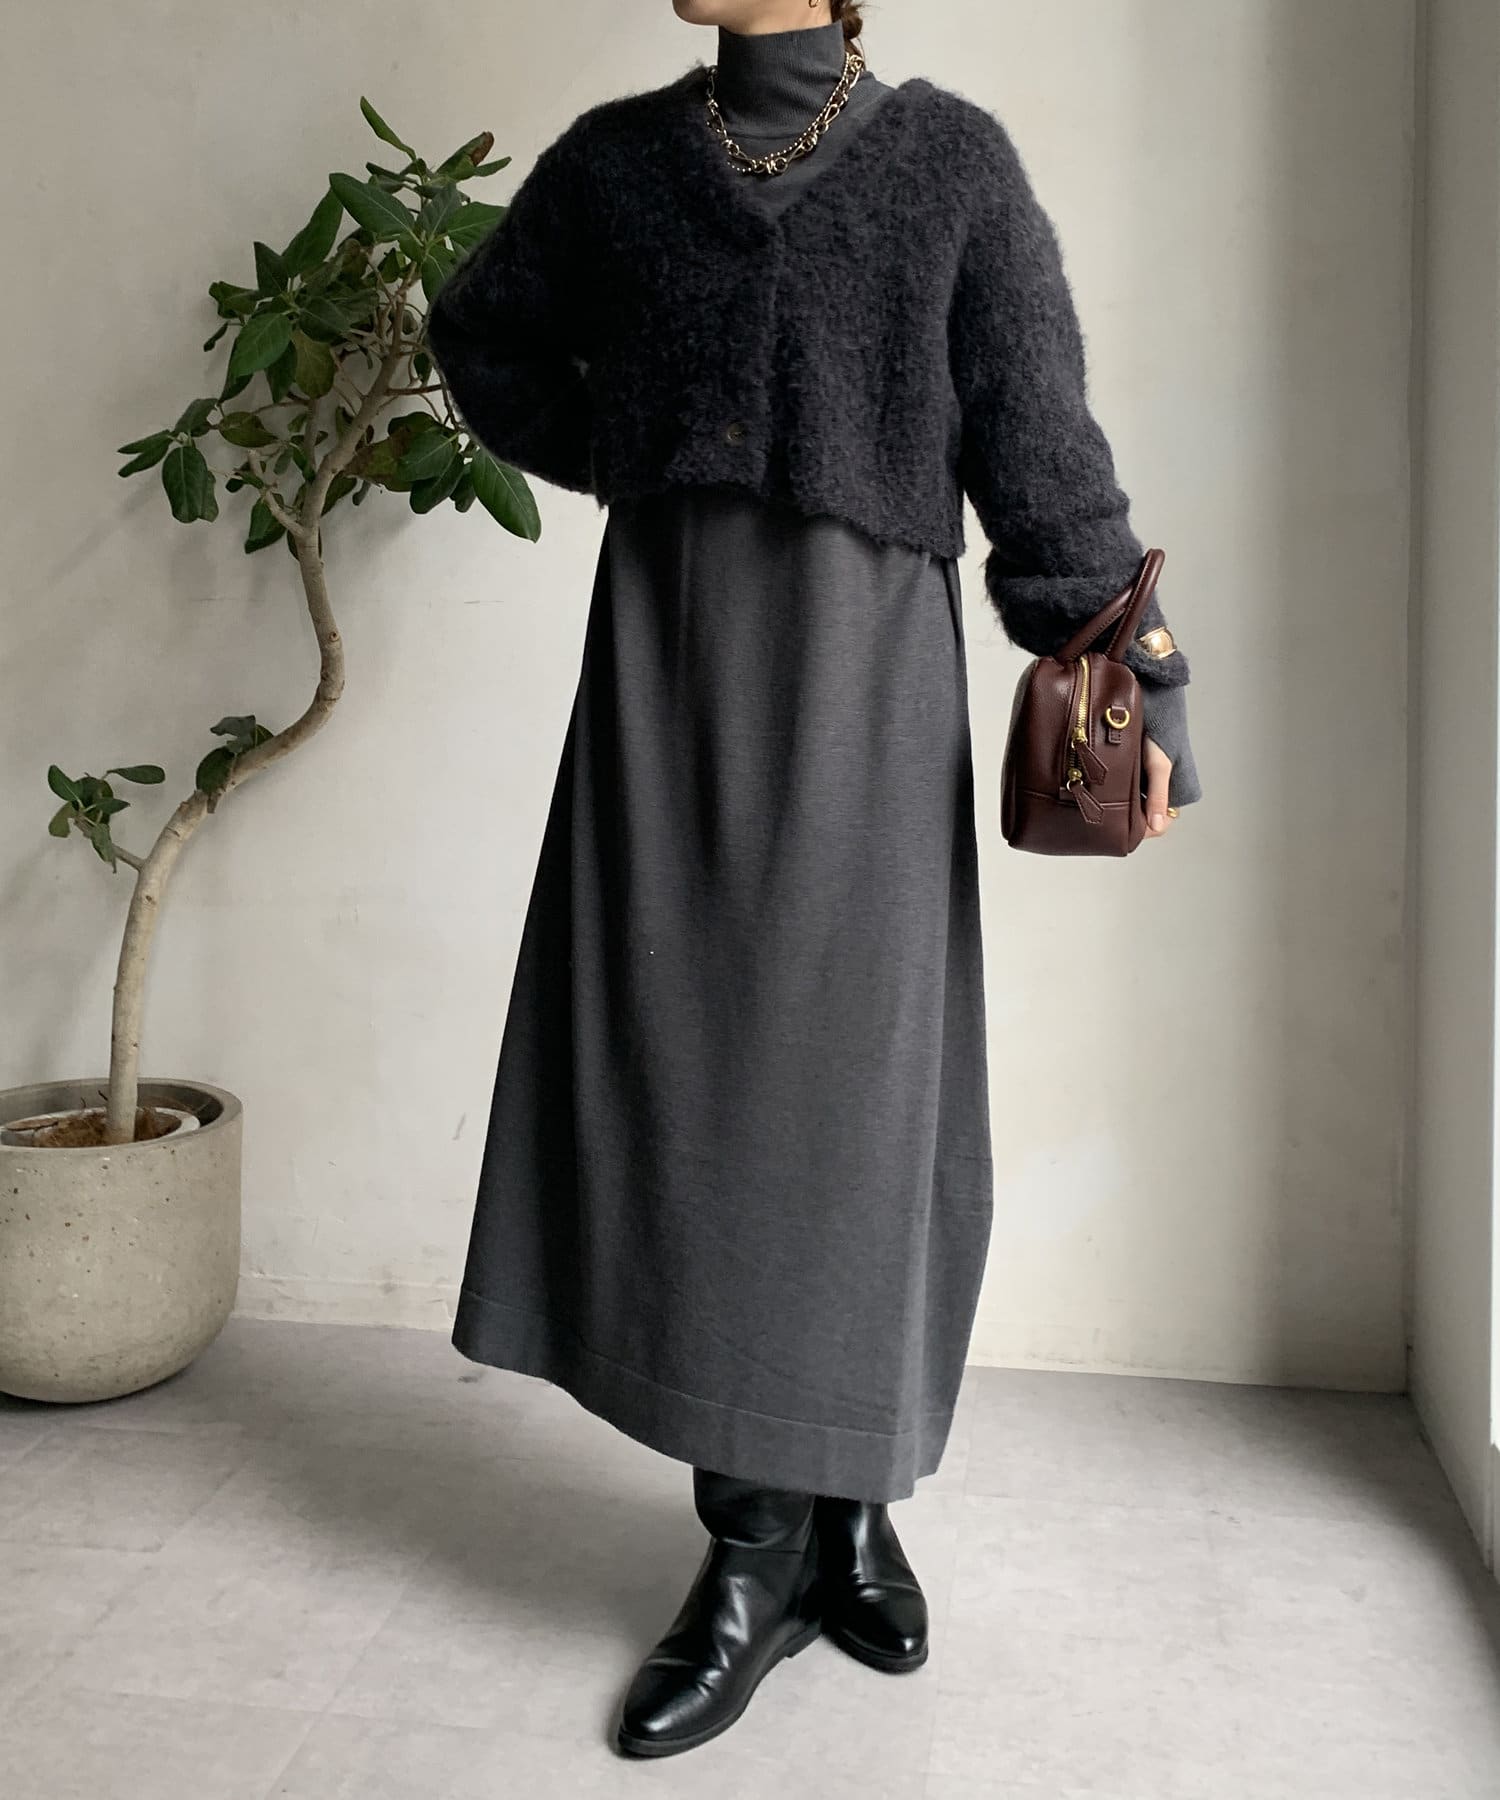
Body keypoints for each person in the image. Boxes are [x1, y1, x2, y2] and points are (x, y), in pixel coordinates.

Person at [425, 0, 1201, 1762]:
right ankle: (759, 1549)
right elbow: (483, 334)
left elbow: (1042, 453)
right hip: (665, 680)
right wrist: (638, 442)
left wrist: (1146, 687)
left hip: (863, 694)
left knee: (850, 1104)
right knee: (694, 1093)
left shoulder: (950, 169)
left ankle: (840, 1512)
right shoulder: (621, 168)